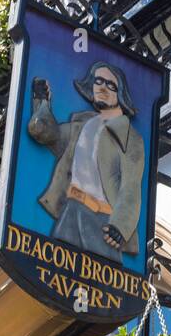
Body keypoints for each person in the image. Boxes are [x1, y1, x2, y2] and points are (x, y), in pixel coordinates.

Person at [27, 61, 145, 262]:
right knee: (56, 280)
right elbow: (45, 133)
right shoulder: (83, 125)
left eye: (110, 84)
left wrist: (120, 226)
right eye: (98, 81)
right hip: (71, 210)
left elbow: (131, 185)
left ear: (120, 94)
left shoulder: (130, 137)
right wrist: (42, 102)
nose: (102, 87)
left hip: (103, 222)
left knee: (103, 289)